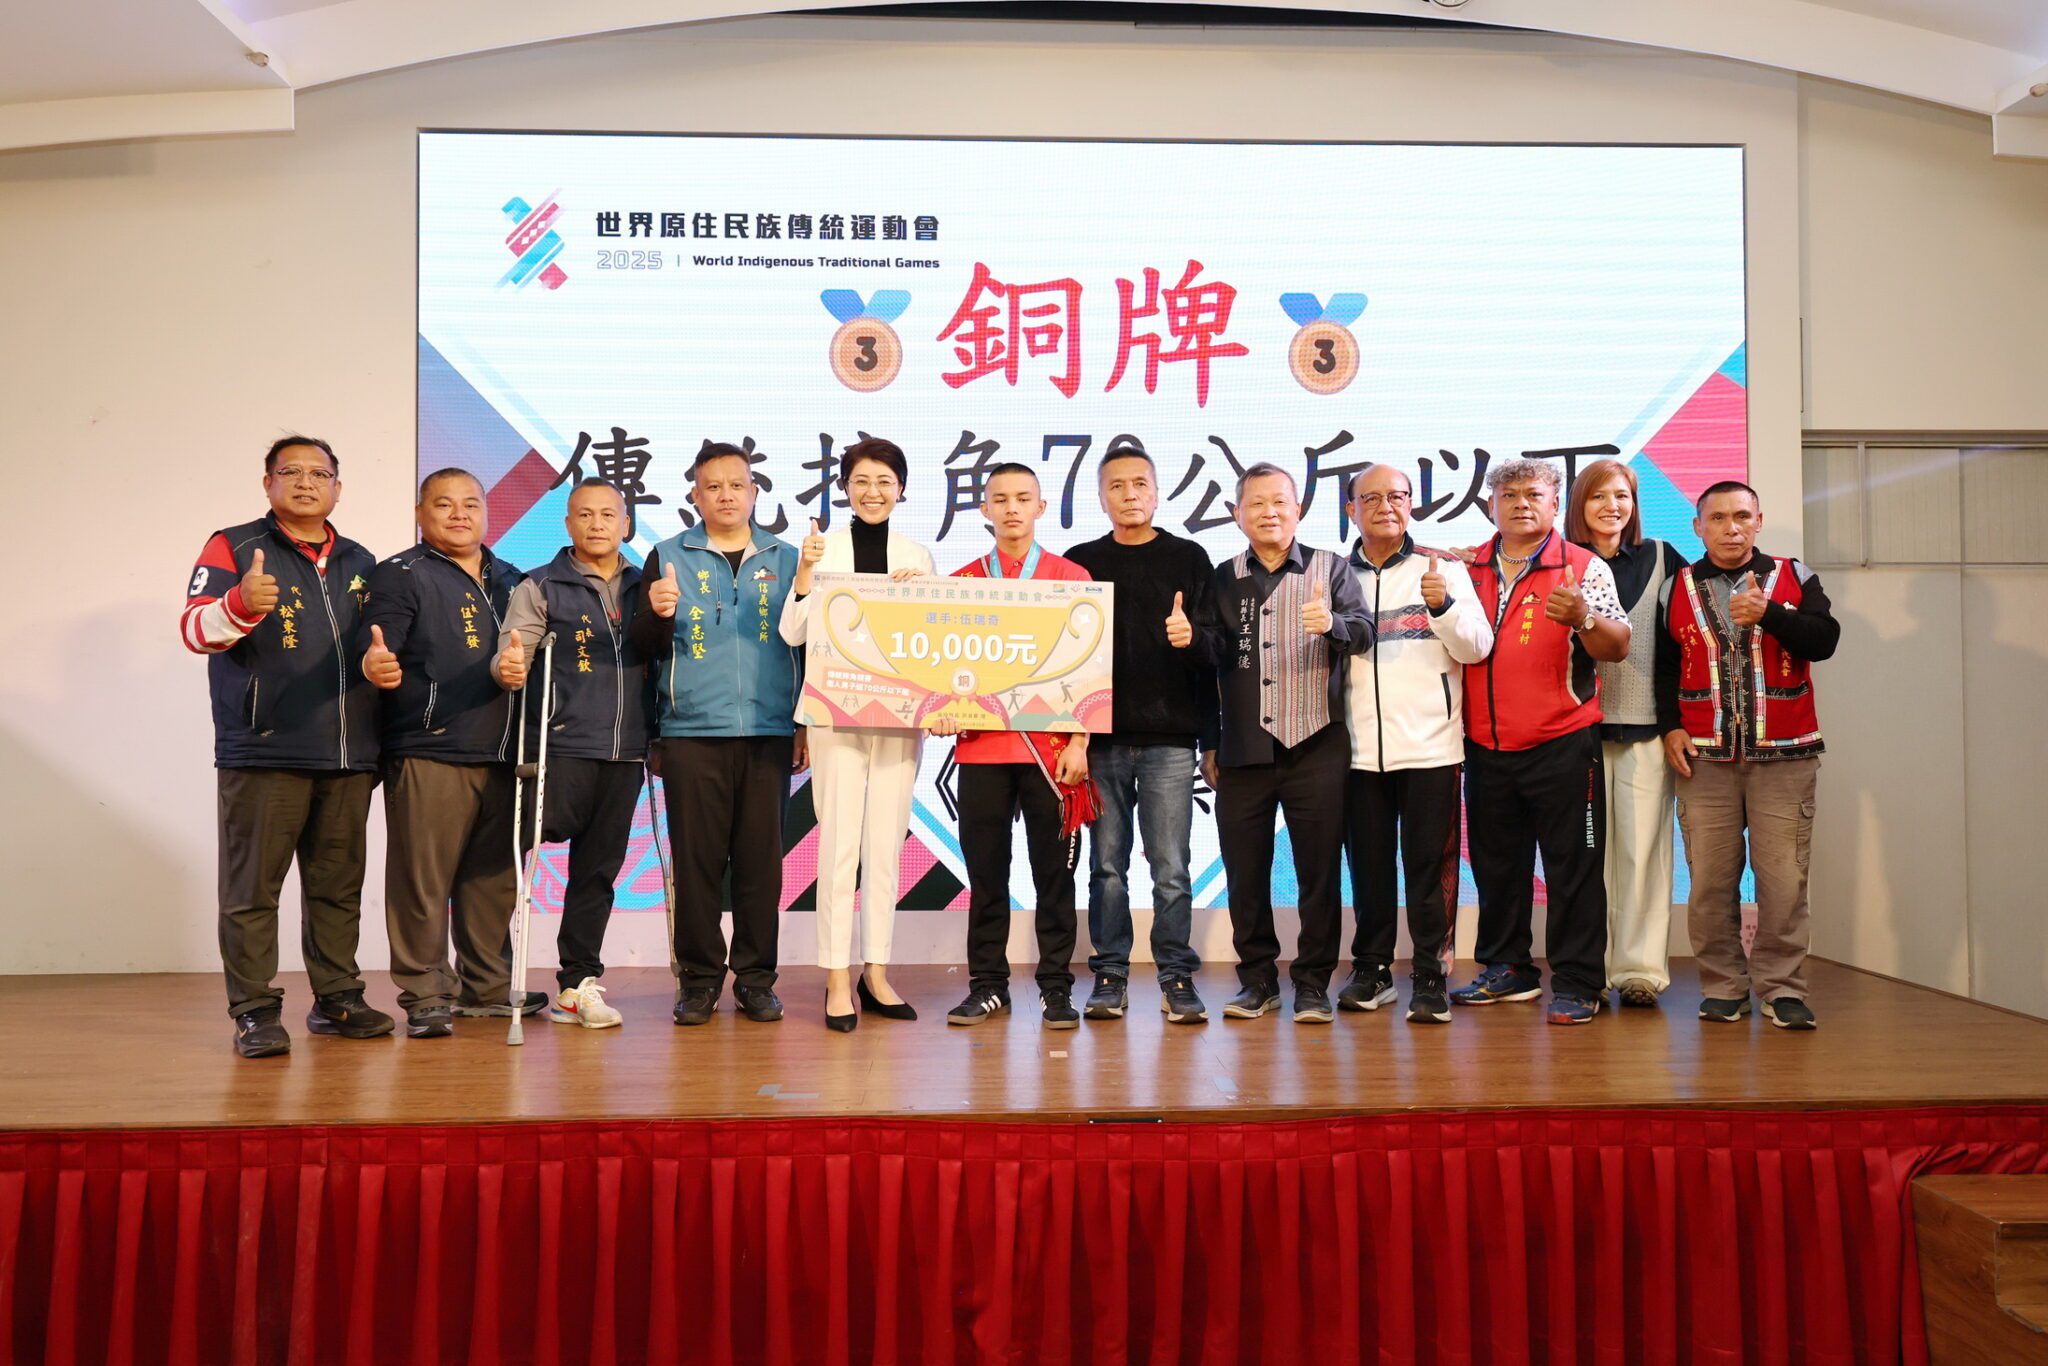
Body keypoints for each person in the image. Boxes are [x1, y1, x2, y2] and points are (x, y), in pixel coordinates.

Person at [181, 436, 390, 1058]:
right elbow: (194, 628)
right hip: (264, 749)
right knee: (252, 891)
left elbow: (376, 644)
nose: (305, 483)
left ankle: (337, 998)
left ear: (337, 488)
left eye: (319, 474)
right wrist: (240, 605)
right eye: (290, 472)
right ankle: (253, 1010)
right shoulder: (234, 546)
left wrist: (380, 668)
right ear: (267, 482)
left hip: (348, 753)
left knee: (337, 887)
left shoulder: (360, 560)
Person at [629, 443, 805, 1027]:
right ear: (695, 496)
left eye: (737, 485)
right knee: (697, 865)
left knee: (761, 867)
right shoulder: (667, 556)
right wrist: (656, 613)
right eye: (713, 486)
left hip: (769, 731)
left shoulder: (788, 560)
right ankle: (699, 981)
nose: (726, 495)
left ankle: (756, 981)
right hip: (691, 733)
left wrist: (804, 723)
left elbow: (811, 647)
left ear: (754, 493)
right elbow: (643, 649)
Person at [1450, 458, 1630, 1025]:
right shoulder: (1467, 567)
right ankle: (1508, 969)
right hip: (1485, 747)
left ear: (1556, 504)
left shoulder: (1584, 566)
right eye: (1509, 495)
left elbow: (1618, 645)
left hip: (1564, 743)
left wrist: (1583, 618)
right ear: (1491, 506)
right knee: (1496, 868)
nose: (1521, 503)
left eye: (1534, 494)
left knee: (1573, 871)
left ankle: (1578, 981)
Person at [360, 468, 538, 1039]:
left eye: (470, 503)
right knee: (422, 882)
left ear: (486, 511)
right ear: (420, 513)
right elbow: (377, 645)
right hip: (429, 747)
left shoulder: (512, 578)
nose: (459, 514)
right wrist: (374, 663)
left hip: (504, 752)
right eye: (444, 504)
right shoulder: (400, 573)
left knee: (492, 882)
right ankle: (426, 994)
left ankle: (487, 987)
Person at [1657, 481, 1839, 1030]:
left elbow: (1824, 641)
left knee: (1783, 882)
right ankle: (1724, 988)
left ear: (1759, 521)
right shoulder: (1675, 586)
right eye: (1717, 518)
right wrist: (1669, 728)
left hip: (1785, 757)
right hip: (1704, 757)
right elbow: (1664, 666)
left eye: (1741, 516)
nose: (1730, 527)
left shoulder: (1794, 575)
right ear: (1698, 527)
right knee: (1710, 882)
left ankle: (1783, 989)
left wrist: (1770, 614)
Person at [1205, 463, 1374, 1024]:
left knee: (1318, 873)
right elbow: (1208, 659)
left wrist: (1332, 626)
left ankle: (1312, 983)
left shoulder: (1332, 567)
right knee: (1244, 873)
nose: (1269, 512)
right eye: (1256, 504)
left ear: (1298, 509)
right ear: (1238, 514)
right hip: (1243, 749)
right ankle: (1257, 980)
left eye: (1279, 501)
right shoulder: (1223, 577)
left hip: (1317, 746)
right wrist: (1187, 643)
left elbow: (1365, 633)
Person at [1066, 444, 1226, 1026]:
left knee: (1171, 868)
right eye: (1117, 486)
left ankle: (1175, 974)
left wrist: (1192, 642)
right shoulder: (1080, 562)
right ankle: (1109, 973)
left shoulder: (1190, 557)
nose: (1129, 494)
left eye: (1140, 484)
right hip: (1100, 742)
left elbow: (1216, 655)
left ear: (1157, 492)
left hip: (1170, 742)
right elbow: (1061, 660)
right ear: (1100, 497)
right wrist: (1072, 738)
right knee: (1106, 867)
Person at [779, 438, 934, 1031]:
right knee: (839, 845)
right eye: (861, 481)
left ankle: (877, 973)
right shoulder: (824, 549)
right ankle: (837, 979)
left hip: (899, 719)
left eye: (885, 481)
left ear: (901, 489)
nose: (873, 492)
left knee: (886, 846)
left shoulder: (918, 555)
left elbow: (932, 641)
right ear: (845, 487)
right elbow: (793, 632)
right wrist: (805, 570)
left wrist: (921, 595)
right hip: (834, 714)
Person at [939, 463, 1096, 1030]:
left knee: (1054, 877)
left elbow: (1090, 669)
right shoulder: (961, 582)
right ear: (983, 508)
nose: (1011, 508)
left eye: (1022, 498)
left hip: (1051, 755)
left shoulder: (1071, 577)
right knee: (986, 878)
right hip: (982, 752)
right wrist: (938, 710)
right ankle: (988, 986)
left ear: (1040, 507)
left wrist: (1080, 740)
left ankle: (1056, 987)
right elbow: (940, 668)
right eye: (1000, 499)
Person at [492, 478, 650, 1030]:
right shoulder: (540, 585)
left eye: (608, 514)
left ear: (625, 523)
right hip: (559, 747)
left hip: (625, 753)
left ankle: (576, 985)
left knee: (597, 873)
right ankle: (487, 971)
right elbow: (511, 655)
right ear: (568, 524)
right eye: (585, 514)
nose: (597, 523)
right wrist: (508, 666)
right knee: (509, 856)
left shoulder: (646, 586)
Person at [1339, 463, 1493, 1025]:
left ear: (1411, 504)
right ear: (1351, 509)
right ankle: (1372, 970)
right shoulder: (1332, 574)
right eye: (1371, 498)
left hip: (1431, 749)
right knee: (1369, 870)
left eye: (1397, 496)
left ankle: (1430, 973)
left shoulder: (1442, 567)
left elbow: (1477, 648)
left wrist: (1443, 607)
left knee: (1430, 869)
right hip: (1357, 753)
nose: (1386, 506)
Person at [1565, 458, 1691, 1009]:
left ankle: (1639, 971)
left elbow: (1687, 641)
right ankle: (1584, 970)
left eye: (1622, 495)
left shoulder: (1663, 557)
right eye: (1598, 496)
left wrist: (1677, 722)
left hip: (1647, 730)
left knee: (1643, 854)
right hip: (1575, 733)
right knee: (1584, 859)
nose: (1611, 506)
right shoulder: (1559, 561)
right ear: (1578, 504)